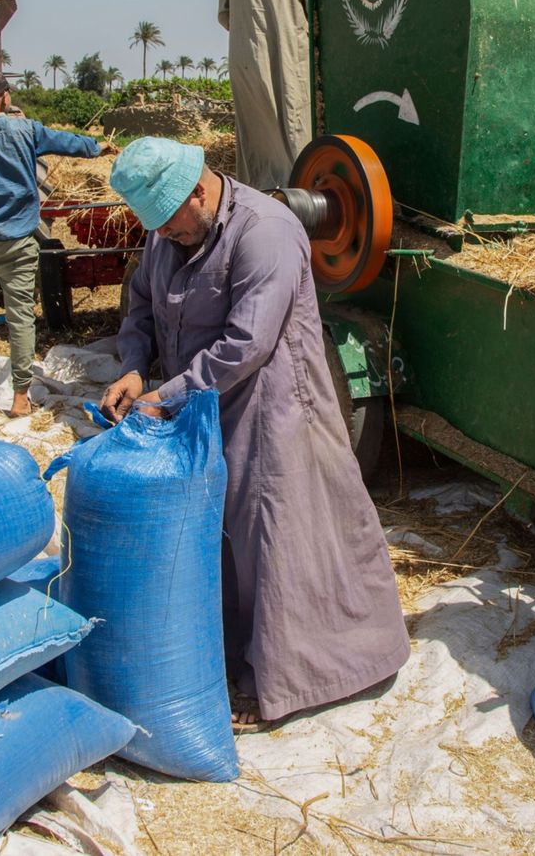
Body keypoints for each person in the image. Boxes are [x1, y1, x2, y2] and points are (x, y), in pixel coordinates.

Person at [101, 136, 409, 728]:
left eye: (170, 225)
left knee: (276, 537)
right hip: (202, 405)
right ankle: (229, 656)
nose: (164, 237)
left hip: (273, 409)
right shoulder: (167, 231)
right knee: (220, 536)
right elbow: (140, 303)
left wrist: (166, 397)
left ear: (198, 192)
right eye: (157, 229)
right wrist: (136, 366)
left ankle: (301, 677)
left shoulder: (265, 232)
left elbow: (248, 343)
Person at [0, 70, 100, 417]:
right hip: (18, 242)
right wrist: (98, 146)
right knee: (20, 317)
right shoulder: (27, 130)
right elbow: (67, 142)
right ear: (6, 98)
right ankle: (20, 398)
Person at [218, 0, 314, 192]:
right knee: (296, 132)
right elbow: (319, 14)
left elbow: (225, 16)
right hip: (290, 60)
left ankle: (257, 197)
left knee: (254, 137)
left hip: (245, 63)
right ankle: (300, 200)